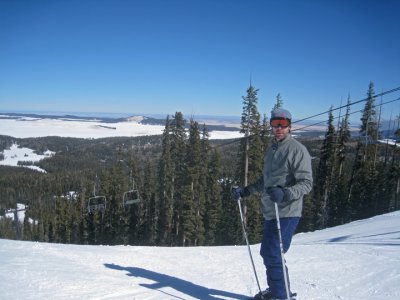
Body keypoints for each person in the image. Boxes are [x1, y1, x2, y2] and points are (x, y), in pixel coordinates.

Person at [232, 108, 313, 300]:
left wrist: (285, 193)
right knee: (268, 252)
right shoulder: (272, 150)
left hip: (288, 210)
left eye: (282, 124)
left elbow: (307, 183)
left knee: (272, 251)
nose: (278, 128)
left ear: (289, 126)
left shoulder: (297, 150)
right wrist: (246, 191)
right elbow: (265, 181)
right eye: (275, 124)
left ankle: (282, 295)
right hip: (271, 210)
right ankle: (277, 291)